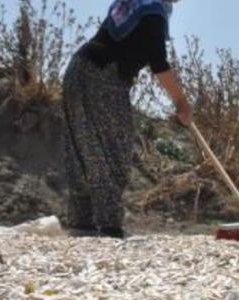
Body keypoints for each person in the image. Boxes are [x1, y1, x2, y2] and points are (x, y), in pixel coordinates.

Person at [61, 0, 192, 238]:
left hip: (77, 70)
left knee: (83, 146)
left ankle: (83, 223)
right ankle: (108, 225)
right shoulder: (153, 12)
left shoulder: (135, 4)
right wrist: (181, 102)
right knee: (114, 149)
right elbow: (159, 63)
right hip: (102, 78)